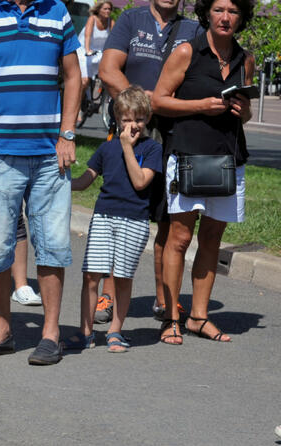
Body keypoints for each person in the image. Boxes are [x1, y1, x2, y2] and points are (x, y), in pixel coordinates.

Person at [0, 0, 80, 365]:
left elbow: (73, 76)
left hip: (49, 155)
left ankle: (50, 334)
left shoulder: (56, 11)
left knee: (53, 245)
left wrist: (68, 134)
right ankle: (2, 330)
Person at [151, 0, 254, 345]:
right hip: (187, 154)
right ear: (207, 13)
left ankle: (199, 317)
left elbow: (248, 114)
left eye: (233, 11)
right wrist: (200, 106)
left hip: (228, 158)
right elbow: (158, 101)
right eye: (219, 9)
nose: (226, 17)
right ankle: (170, 317)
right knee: (179, 239)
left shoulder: (245, 58)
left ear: (242, 17)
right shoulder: (186, 51)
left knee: (212, 239)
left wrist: (243, 111)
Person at [100, 0, 200, 319]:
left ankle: (164, 298)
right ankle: (107, 296)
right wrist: (143, 104)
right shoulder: (131, 19)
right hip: (135, 134)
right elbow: (108, 69)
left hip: (175, 136)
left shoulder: (193, 29)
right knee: (124, 213)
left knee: (168, 219)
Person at [68, 86, 162, 353]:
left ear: (147, 120)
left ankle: (115, 330)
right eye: (127, 120)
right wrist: (63, 183)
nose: (133, 126)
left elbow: (141, 181)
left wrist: (127, 148)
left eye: (139, 119)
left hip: (134, 220)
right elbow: (86, 179)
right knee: (91, 275)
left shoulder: (152, 149)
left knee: (122, 277)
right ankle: (85, 331)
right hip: (103, 217)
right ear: (117, 119)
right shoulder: (106, 149)